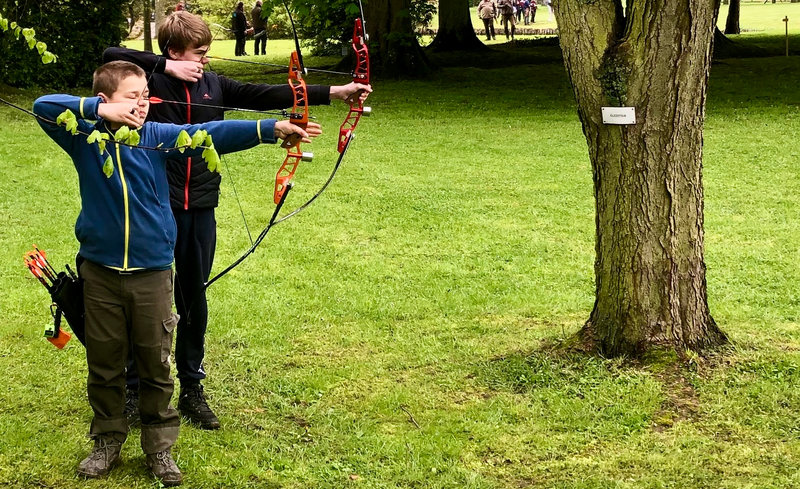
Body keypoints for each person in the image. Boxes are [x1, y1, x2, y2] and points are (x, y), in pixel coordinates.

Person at [32, 60, 318, 486]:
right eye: (132, 97)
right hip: (100, 270)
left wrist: (268, 129)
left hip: (150, 271)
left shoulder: (156, 137)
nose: (143, 104)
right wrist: (98, 110)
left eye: (146, 96)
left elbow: (209, 133)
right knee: (105, 363)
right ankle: (107, 440)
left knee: (155, 361)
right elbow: (43, 106)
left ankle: (159, 448)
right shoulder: (84, 137)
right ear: (106, 99)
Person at [103, 11, 371, 432]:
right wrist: (166, 67)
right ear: (174, 51)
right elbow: (109, 54)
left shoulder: (214, 85)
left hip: (199, 206)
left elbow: (263, 93)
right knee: (144, 300)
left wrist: (336, 91)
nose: (205, 60)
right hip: (153, 206)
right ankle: (136, 387)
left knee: (193, 296)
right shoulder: (148, 84)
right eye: (199, 53)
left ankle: (192, 386)